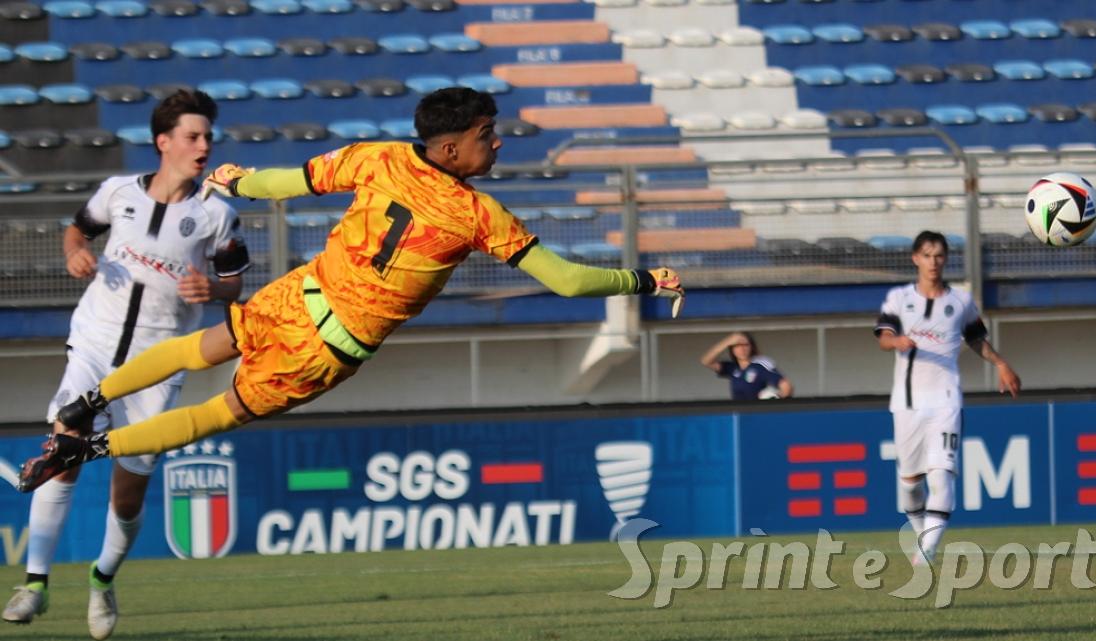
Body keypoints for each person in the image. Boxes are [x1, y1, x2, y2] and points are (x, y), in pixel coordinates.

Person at [16, 88, 684, 502]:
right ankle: (86, 448)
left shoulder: (378, 156)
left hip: (297, 292)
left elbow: (285, 183)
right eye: (487, 134)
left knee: (198, 347)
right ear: (451, 149)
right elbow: (568, 280)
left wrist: (237, 181)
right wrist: (645, 279)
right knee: (218, 412)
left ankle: (85, 403)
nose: (497, 142)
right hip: (329, 345)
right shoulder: (480, 215)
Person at [3, 90, 248, 639]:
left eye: (207, 137)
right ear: (163, 142)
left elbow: (234, 284)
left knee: (129, 489)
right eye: (192, 136)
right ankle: (35, 583)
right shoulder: (117, 192)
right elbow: (77, 229)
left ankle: (103, 578)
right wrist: (74, 251)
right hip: (94, 345)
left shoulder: (217, 214)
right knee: (62, 450)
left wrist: (213, 288)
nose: (204, 146)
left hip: (157, 364)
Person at [873, 230, 1020, 565]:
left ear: (946, 259)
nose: (933, 262)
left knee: (942, 474)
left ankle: (928, 549)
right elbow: (883, 337)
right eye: (927, 255)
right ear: (915, 258)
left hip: (946, 401)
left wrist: (1001, 364)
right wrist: (896, 342)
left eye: (939, 255)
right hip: (907, 403)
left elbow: (976, 339)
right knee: (910, 484)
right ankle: (922, 536)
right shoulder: (899, 298)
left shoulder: (961, 302)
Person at [700, 332, 793, 400]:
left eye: (745, 345)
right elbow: (706, 361)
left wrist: (775, 401)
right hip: (740, 415)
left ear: (751, 347)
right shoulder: (733, 368)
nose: (742, 349)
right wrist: (726, 342)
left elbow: (786, 386)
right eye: (737, 345)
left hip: (759, 415)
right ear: (732, 349)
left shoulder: (760, 364)